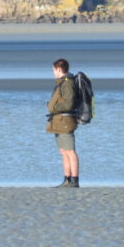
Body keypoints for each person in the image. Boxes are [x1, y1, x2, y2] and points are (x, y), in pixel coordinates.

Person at [47, 58, 80, 188]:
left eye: (53, 70)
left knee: (70, 151)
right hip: (58, 121)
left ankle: (75, 180)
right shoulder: (61, 83)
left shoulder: (67, 83)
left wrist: (54, 107)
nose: (53, 72)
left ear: (59, 69)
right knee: (63, 151)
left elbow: (69, 103)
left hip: (65, 120)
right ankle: (67, 180)